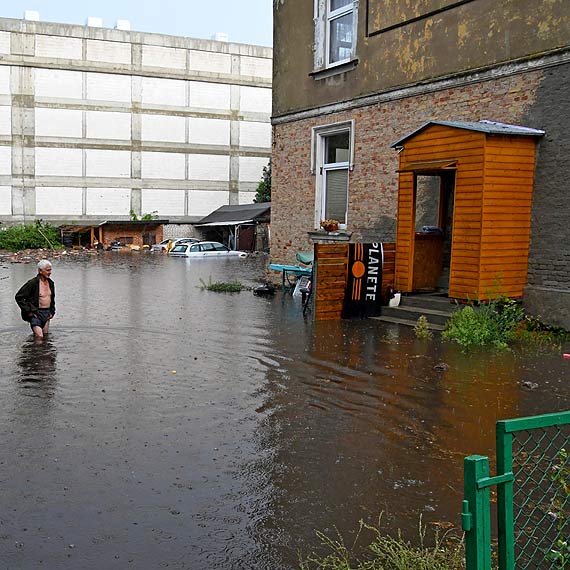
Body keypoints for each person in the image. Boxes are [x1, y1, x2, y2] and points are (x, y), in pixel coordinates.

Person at [15, 259, 56, 338]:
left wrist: (52, 311)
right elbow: (19, 297)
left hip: (47, 314)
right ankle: (32, 349)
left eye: (50, 270)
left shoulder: (51, 283)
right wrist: (28, 311)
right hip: (36, 313)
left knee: (45, 338)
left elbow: (52, 299)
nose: (50, 272)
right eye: (48, 270)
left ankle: (35, 349)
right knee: (39, 337)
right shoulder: (32, 283)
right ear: (40, 271)